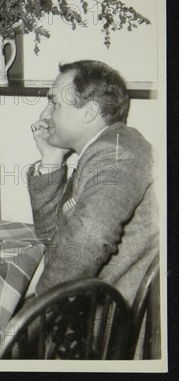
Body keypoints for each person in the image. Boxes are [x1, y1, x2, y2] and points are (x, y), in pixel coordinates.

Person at [27, 60, 158, 305]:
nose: (44, 115)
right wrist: (51, 159)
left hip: (105, 322)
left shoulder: (117, 155)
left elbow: (88, 241)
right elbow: (51, 238)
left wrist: (38, 306)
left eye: (54, 103)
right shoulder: (105, 148)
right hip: (90, 306)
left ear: (88, 112)